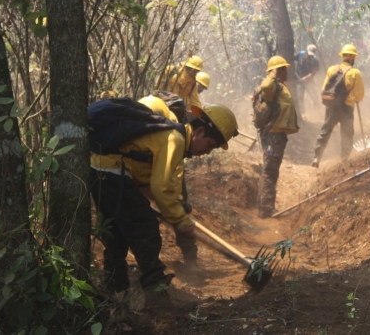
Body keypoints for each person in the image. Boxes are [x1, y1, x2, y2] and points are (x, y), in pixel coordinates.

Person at [89, 101, 239, 307]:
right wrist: (181, 220)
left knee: (117, 234)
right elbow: (161, 187)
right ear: (200, 132)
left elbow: (154, 184)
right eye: (210, 145)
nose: (208, 152)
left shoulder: (172, 137)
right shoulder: (174, 139)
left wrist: (178, 214)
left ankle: (116, 290)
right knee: (146, 229)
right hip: (114, 172)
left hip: (100, 170)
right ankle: (156, 294)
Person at [138, 95, 199, 271]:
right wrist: (179, 209)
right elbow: (170, 177)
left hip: (151, 175)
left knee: (179, 208)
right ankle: (190, 261)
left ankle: (190, 259)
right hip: (149, 176)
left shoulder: (161, 124)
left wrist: (178, 211)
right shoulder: (168, 129)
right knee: (178, 209)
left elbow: (173, 175)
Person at [256, 55, 299, 218]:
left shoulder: (279, 86)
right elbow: (266, 84)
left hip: (277, 135)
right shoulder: (271, 85)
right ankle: (266, 209)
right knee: (270, 170)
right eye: (284, 69)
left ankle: (263, 207)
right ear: (279, 70)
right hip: (273, 135)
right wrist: (273, 72)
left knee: (270, 169)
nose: (286, 72)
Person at [312, 44, 365, 168]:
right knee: (347, 134)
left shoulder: (332, 69)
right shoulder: (355, 72)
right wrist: (354, 98)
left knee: (326, 131)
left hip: (331, 106)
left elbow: (325, 88)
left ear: (342, 56)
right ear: (353, 58)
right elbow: (359, 94)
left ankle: (316, 157)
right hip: (346, 108)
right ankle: (344, 159)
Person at [294, 44, 320, 117]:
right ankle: (303, 114)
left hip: (309, 81)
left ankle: (318, 113)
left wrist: (305, 78)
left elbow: (313, 73)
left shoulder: (315, 60)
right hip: (299, 80)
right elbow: (291, 58)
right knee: (299, 97)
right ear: (306, 51)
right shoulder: (300, 54)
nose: (310, 56)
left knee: (314, 97)